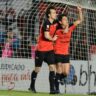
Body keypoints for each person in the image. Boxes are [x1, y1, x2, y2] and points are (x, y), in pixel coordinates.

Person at [29, 6, 58, 94]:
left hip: (50, 50)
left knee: (52, 67)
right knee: (37, 69)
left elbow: (61, 22)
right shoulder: (46, 22)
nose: (55, 14)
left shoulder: (55, 22)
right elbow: (46, 35)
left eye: (55, 12)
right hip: (41, 50)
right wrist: (53, 39)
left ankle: (52, 90)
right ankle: (32, 86)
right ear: (49, 15)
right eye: (53, 12)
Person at [54, 6, 83, 93]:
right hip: (58, 52)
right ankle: (57, 89)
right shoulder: (58, 30)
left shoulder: (70, 28)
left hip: (66, 53)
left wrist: (80, 11)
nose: (67, 20)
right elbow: (65, 31)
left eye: (67, 19)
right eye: (65, 19)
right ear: (60, 22)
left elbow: (80, 20)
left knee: (66, 73)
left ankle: (57, 80)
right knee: (59, 70)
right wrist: (68, 26)